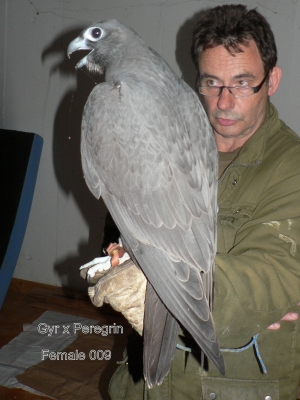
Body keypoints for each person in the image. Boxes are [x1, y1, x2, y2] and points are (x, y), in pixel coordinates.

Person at [81, 4, 300, 399]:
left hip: (230, 384)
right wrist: (125, 255)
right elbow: (123, 226)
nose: (225, 101)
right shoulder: (166, 122)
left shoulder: (293, 167)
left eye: (243, 82)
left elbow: (275, 274)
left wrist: (169, 294)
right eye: (212, 83)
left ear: (272, 81)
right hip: (142, 386)